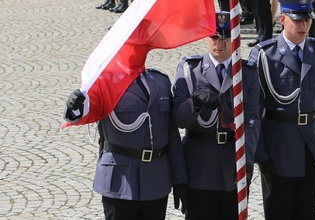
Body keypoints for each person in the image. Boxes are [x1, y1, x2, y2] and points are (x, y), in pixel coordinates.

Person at [249, 0, 315, 220]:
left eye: (307, 20)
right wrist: (262, 156)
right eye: (297, 20)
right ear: (283, 19)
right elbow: (253, 110)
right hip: (277, 151)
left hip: (312, 149)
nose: (303, 25)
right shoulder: (264, 54)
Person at [64, 69, 188, 219]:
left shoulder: (160, 81)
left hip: (155, 180)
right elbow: (88, 113)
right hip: (119, 180)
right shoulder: (104, 82)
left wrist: (179, 180)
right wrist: (74, 108)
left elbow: (171, 134)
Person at [173, 12, 261, 220]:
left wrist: (245, 164)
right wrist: (193, 102)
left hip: (233, 161)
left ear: (235, 38)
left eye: (225, 37)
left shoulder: (246, 72)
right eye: (214, 37)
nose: (219, 44)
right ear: (205, 37)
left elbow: (252, 121)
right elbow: (177, 119)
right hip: (199, 164)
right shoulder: (189, 69)